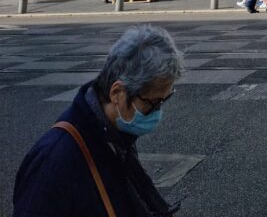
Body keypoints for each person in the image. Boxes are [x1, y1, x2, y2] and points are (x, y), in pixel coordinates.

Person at [13, 24, 184, 217]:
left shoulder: (115, 137)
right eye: (152, 103)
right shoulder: (54, 161)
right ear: (117, 93)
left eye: (163, 101)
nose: (158, 112)